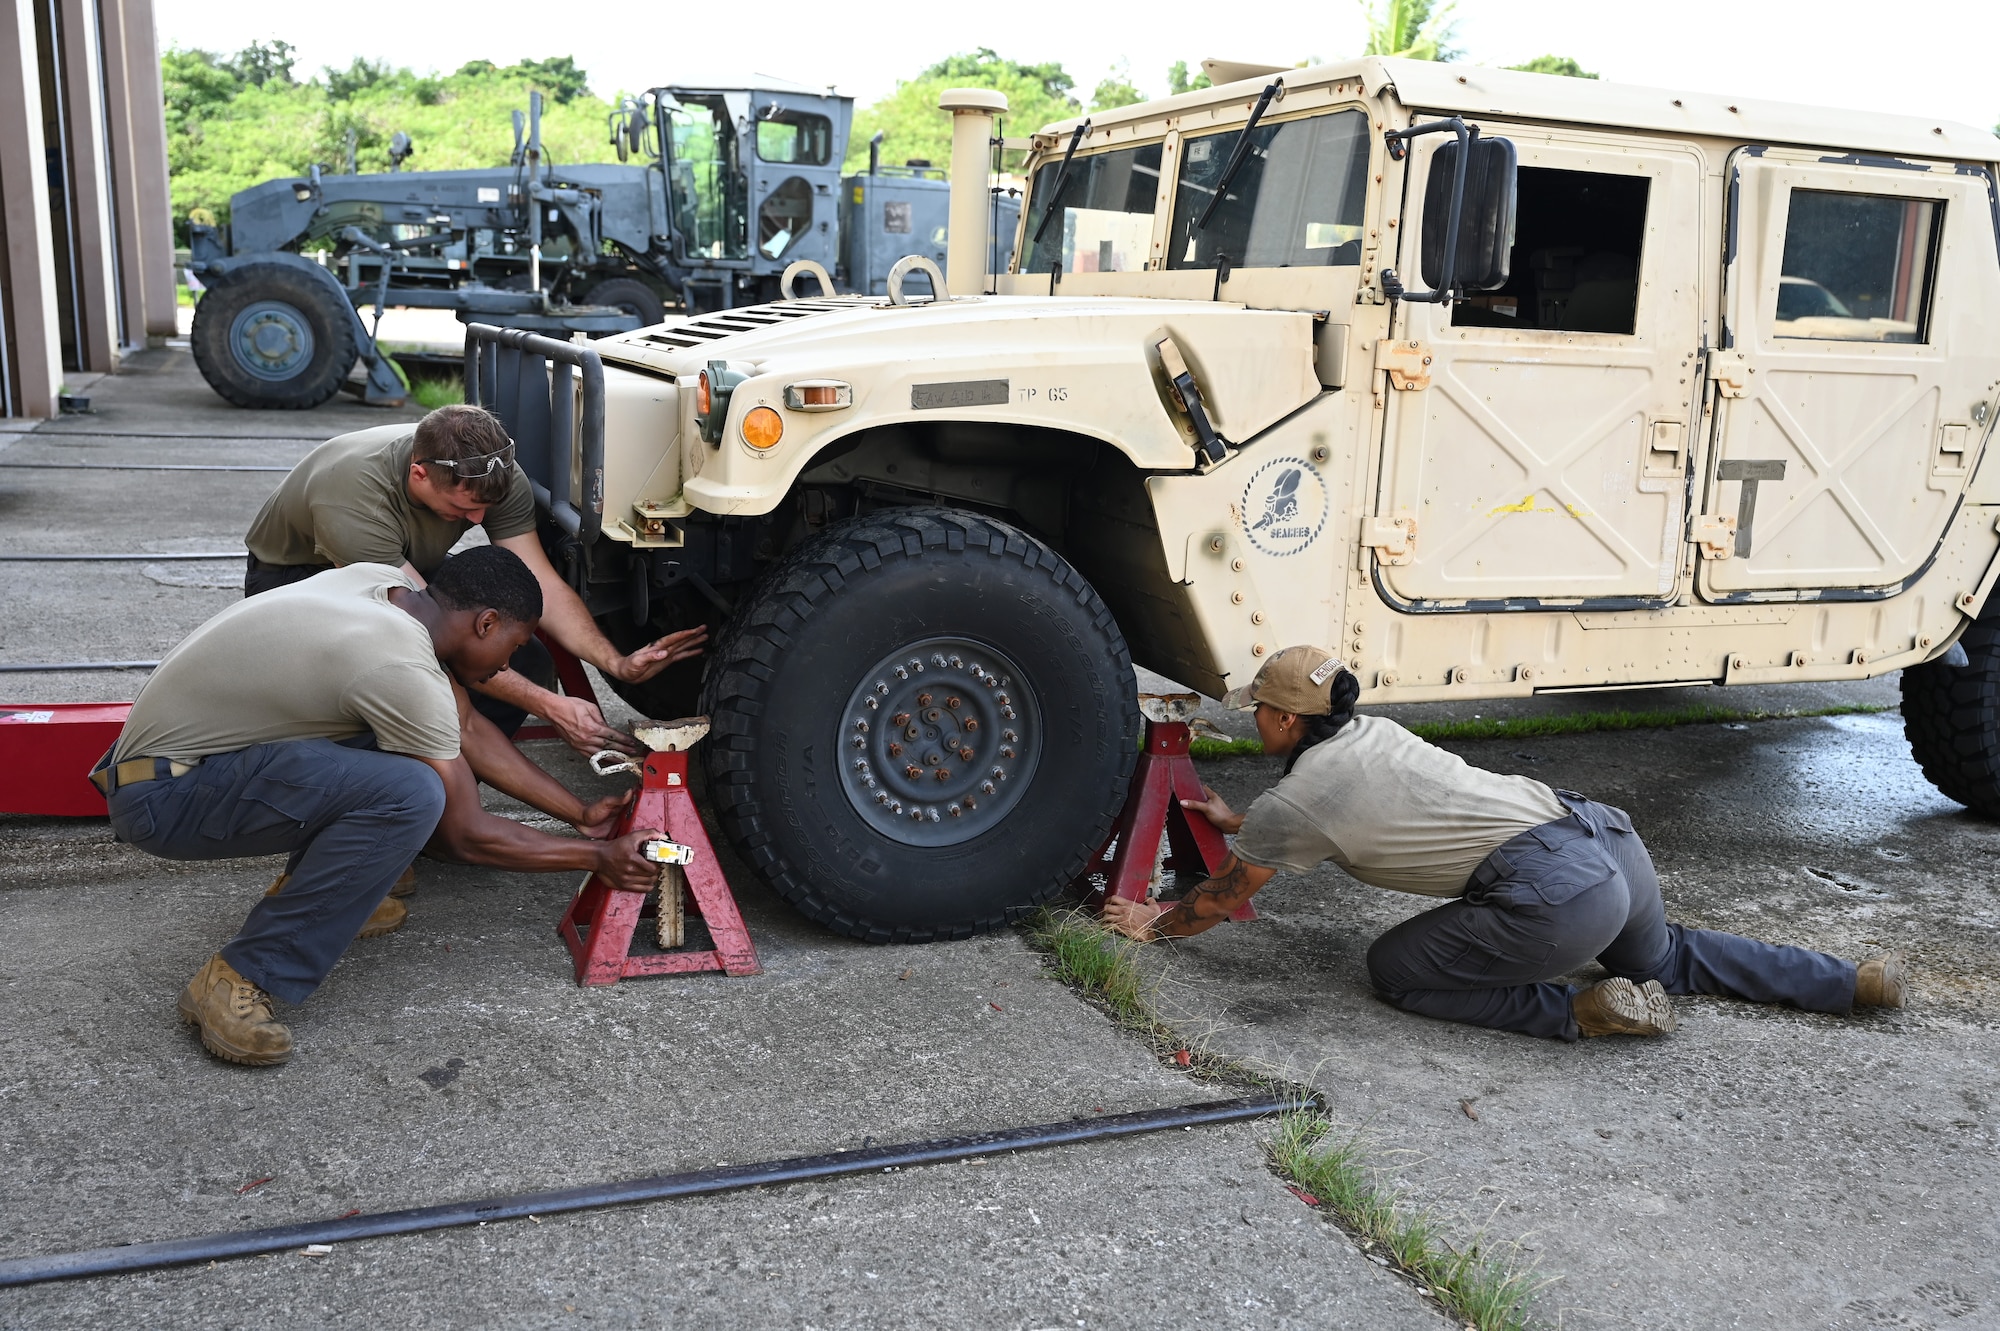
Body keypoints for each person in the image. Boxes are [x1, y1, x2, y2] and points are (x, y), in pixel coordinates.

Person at [1101, 645, 1908, 1040]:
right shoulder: (1372, 736)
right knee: (1669, 957)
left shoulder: (1300, 796)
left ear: (1283, 721)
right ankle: (1852, 982)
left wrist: (1152, 923)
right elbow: (1349, 804)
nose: (1254, 718)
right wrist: (1247, 821)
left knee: (1394, 970)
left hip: (1557, 894)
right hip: (1606, 837)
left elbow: (1222, 897)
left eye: (1258, 710)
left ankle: (1580, 1011)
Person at [95, 547, 661, 1067]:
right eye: (511, 647)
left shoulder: (388, 589)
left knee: (397, 752)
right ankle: (240, 975)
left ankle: (332, 897)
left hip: (175, 765)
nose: (502, 666)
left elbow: (462, 726)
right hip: (164, 797)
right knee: (411, 794)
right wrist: (599, 857)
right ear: (485, 622)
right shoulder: (397, 665)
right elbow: (465, 834)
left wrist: (579, 814)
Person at [243, 404, 706, 753]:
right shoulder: (353, 498)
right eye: (465, 511)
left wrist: (615, 662)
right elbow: (426, 634)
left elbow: (538, 580)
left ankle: (446, 800)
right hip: (303, 579)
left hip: (407, 567)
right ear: (418, 474)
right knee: (381, 682)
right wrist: (550, 706)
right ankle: (377, 811)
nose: (480, 518)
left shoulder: (491, 472)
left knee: (526, 660)